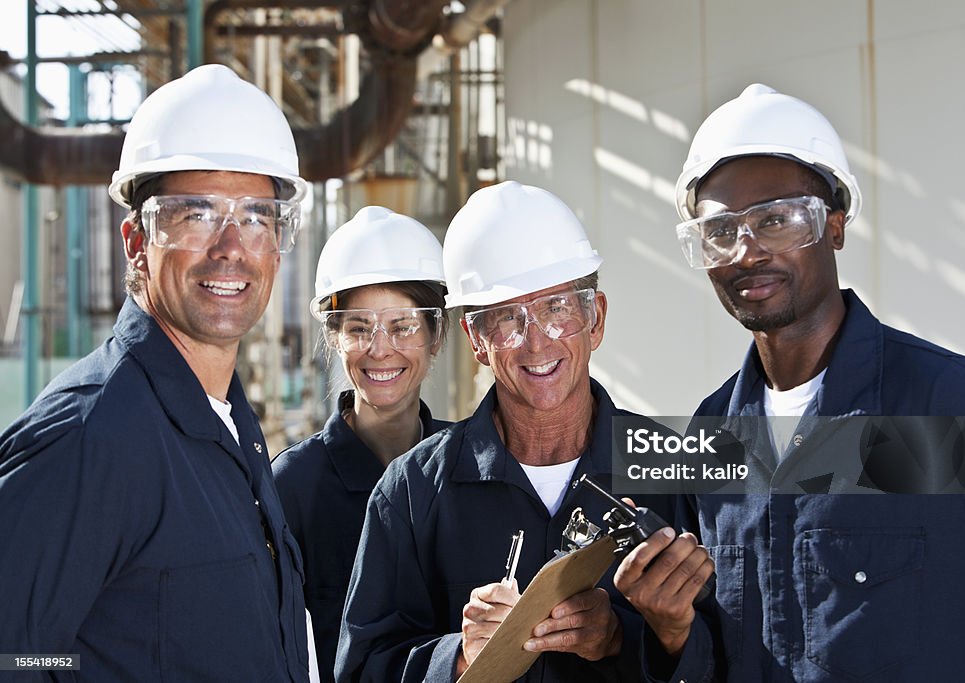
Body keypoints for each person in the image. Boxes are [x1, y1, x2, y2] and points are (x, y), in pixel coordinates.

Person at [670, 83, 965, 680]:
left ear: (833, 225)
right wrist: (666, 631)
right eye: (721, 232)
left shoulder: (960, 410)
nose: (746, 253)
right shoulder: (708, 439)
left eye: (777, 221)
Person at [0, 64, 313, 681]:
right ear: (135, 241)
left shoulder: (229, 425)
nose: (231, 246)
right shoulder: (92, 436)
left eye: (256, 217)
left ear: (278, 245)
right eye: (195, 214)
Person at [336, 181, 715, 682]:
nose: (536, 343)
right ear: (475, 339)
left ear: (595, 317)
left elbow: (741, 653)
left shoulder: (674, 467)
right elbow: (361, 669)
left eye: (557, 309)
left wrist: (632, 637)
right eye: (505, 319)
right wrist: (460, 658)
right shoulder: (412, 492)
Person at [273, 206, 452, 678]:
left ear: (436, 335)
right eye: (358, 329)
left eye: (403, 326)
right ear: (334, 339)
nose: (380, 349)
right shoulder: (294, 486)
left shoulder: (467, 466)